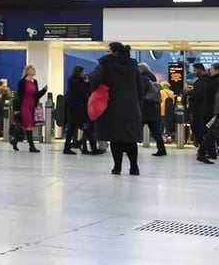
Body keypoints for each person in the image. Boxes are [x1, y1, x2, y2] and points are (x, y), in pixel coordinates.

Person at [89, 42, 142, 175]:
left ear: (114, 52)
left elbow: (94, 80)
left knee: (115, 138)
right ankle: (134, 167)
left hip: (112, 106)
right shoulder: (133, 66)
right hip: (130, 106)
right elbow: (140, 88)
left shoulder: (105, 65)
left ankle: (117, 167)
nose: (106, 53)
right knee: (130, 139)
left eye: (108, 51)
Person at [62, 65, 98, 155]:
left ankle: (87, 147)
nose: (84, 73)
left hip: (83, 109)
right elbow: (74, 96)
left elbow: (88, 91)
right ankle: (69, 147)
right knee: (74, 128)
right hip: (76, 110)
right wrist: (81, 104)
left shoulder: (82, 82)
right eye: (83, 72)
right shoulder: (73, 82)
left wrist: (87, 82)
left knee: (87, 128)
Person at [13, 65, 47, 153]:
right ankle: (31, 146)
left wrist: (44, 90)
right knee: (29, 124)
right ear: (27, 71)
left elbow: (37, 95)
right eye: (33, 69)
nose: (34, 70)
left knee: (26, 125)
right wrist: (16, 108)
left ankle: (15, 140)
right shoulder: (22, 82)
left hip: (32, 105)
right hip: (24, 105)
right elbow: (18, 95)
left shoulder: (35, 82)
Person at [137, 62, 168, 157]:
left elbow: (141, 92)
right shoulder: (152, 78)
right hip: (153, 108)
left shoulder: (143, 79)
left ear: (141, 70)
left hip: (144, 108)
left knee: (135, 129)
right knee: (156, 131)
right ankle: (162, 149)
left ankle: (127, 147)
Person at [186, 63, 210, 147]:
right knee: (196, 127)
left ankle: (204, 146)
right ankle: (202, 146)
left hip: (201, 109)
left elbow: (199, 93)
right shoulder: (201, 80)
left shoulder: (204, 80)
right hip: (198, 109)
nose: (194, 72)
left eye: (195, 70)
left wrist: (189, 92)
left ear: (200, 69)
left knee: (199, 128)